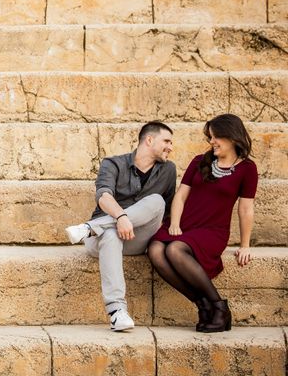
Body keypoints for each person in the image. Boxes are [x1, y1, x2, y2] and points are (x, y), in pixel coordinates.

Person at [148, 114, 257, 333]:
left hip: (212, 231)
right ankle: (204, 305)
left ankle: (218, 307)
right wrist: (175, 224)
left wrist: (245, 244)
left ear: (232, 137)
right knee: (156, 250)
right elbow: (180, 197)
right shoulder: (200, 161)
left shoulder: (247, 169)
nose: (211, 142)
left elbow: (245, 209)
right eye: (210, 137)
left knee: (176, 250)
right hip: (183, 224)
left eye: (216, 137)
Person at [65, 121, 176, 331]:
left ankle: (89, 227)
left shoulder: (168, 170)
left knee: (157, 201)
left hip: (138, 238)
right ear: (149, 140)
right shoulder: (113, 163)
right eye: (167, 141)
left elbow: (167, 208)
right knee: (110, 235)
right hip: (101, 241)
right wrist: (120, 216)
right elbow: (103, 196)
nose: (170, 147)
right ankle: (117, 312)